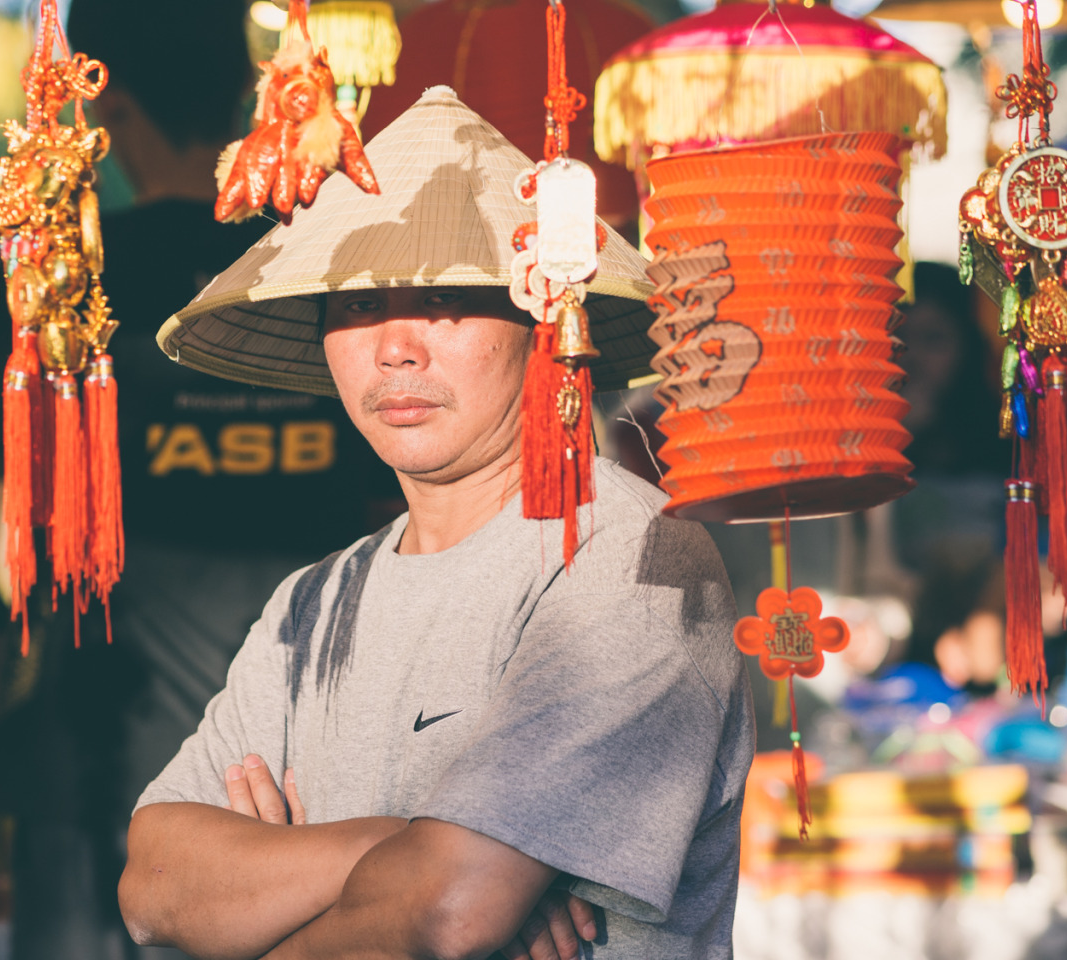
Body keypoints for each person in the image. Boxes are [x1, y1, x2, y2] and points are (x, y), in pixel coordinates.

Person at [122, 86, 754, 960]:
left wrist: (291, 883)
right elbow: (154, 883)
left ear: (543, 315)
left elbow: (446, 913)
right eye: (355, 305)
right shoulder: (313, 601)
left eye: (447, 299)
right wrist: (398, 844)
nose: (395, 348)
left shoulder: (635, 558)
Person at [0, 2, 399, 959]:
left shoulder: (42, 291)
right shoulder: (331, 274)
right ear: (242, 92)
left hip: (101, 803)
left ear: (110, 107)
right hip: (324, 795)